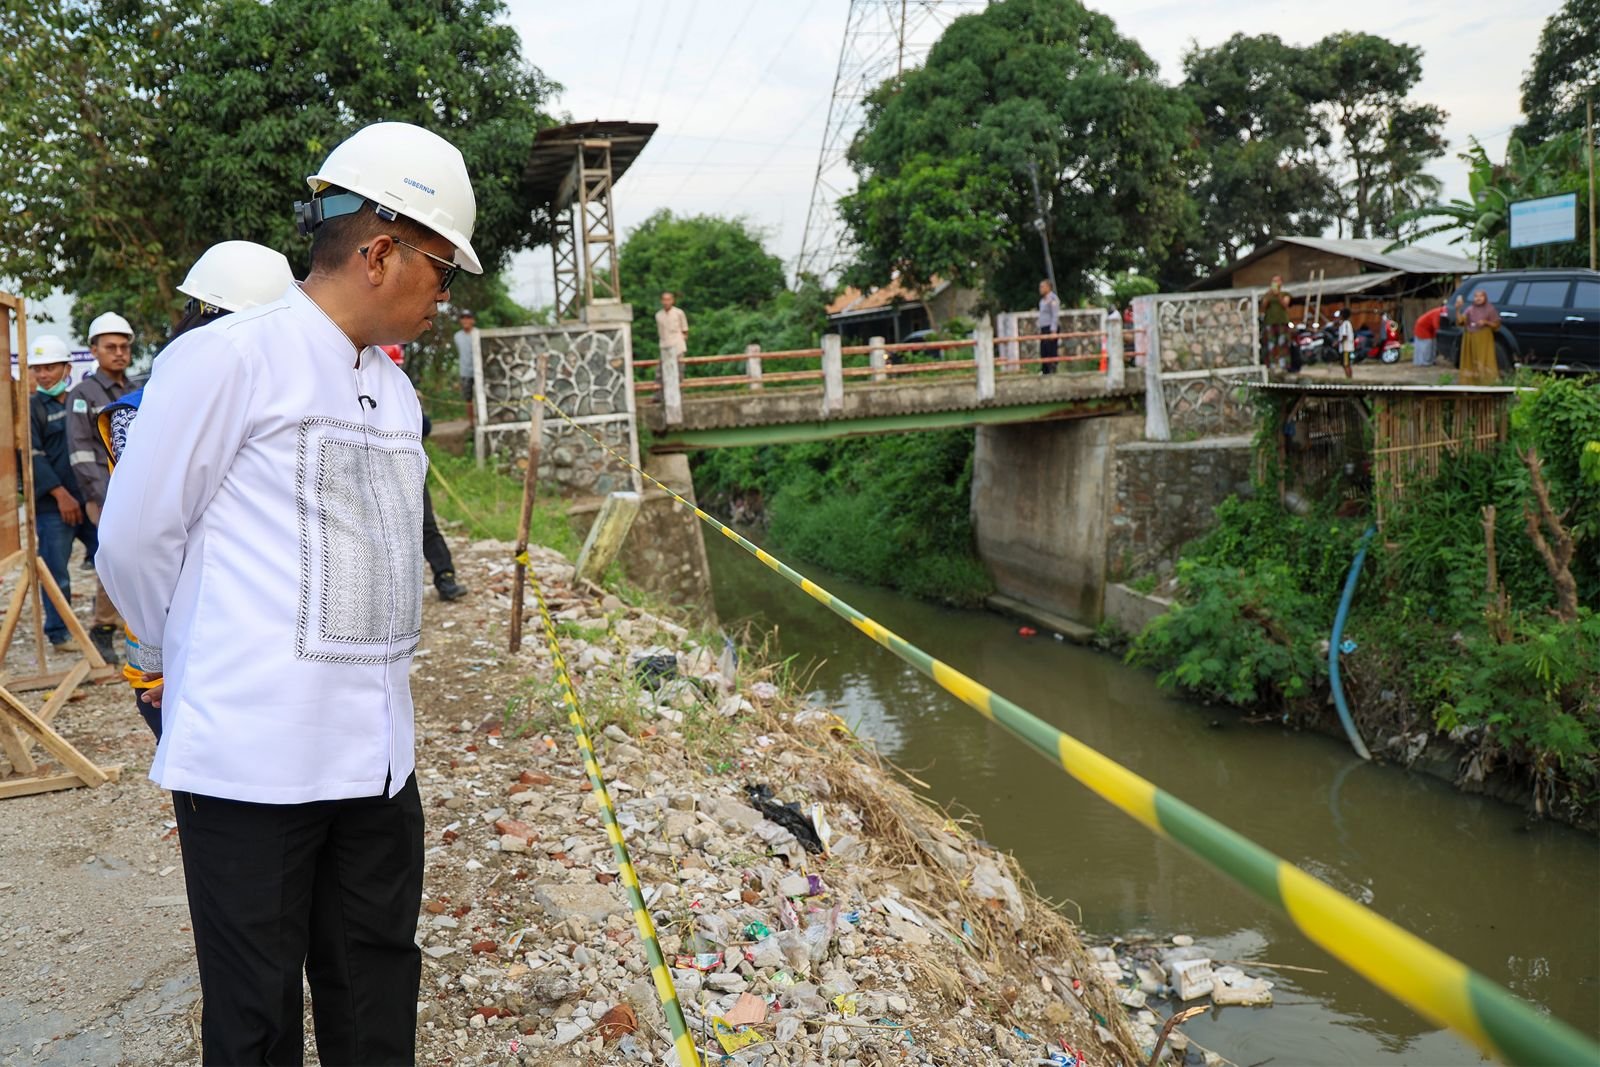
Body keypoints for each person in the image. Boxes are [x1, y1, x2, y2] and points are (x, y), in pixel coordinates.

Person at [97, 120, 482, 1066]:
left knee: (376, 987)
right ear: (381, 251)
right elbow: (139, 540)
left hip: (378, 764)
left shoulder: (394, 395)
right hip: (253, 765)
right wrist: (203, 664)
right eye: (444, 269)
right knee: (257, 1016)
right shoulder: (228, 360)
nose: (447, 294)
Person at [97, 240, 297, 740]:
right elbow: (139, 544)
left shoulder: (279, 397)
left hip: (244, 651)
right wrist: (176, 654)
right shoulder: (149, 408)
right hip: (191, 650)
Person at [65, 311, 135, 663]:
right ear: (94, 350)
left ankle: (142, 628)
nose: (119, 353)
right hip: (104, 493)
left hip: (140, 492)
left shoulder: (138, 389)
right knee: (114, 557)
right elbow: (80, 452)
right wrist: (107, 497)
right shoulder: (83, 395)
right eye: (111, 347)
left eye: (124, 346)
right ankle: (103, 627)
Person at [381, 343, 468, 602]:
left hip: (408, 471)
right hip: (376, 471)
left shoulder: (403, 391)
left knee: (426, 525)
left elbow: (425, 427)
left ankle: (445, 577)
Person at [26, 335, 97, 650]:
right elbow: (32, 454)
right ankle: (59, 633)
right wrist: (59, 494)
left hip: (87, 498)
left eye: (50, 367)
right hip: (54, 506)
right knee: (56, 571)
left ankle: (111, 621)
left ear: (67, 367)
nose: (43, 375)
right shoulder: (32, 408)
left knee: (110, 558)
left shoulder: (78, 401)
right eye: (37, 369)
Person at [1454, 288, 1502, 385]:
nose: (1478, 298)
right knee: (1470, 359)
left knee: (1484, 359)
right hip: (1470, 338)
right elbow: (1461, 321)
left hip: (1484, 338)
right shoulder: (1470, 309)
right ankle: (1470, 381)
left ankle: (1487, 381)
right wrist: (1458, 309)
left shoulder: (1490, 309)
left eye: (1481, 296)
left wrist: (1486, 322)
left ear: (1485, 297)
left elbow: (1496, 325)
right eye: (1476, 296)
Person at [1262, 274, 1291, 371]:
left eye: (1277, 281)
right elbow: (1264, 306)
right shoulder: (1267, 295)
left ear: (1281, 283)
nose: (1275, 283)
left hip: (1282, 321)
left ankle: (1284, 365)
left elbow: (1285, 305)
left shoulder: (1285, 294)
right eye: (1273, 281)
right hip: (1270, 322)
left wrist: (1278, 294)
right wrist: (1270, 293)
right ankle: (1271, 365)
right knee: (1271, 344)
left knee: (1283, 343)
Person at [454, 309, 477, 425]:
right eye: (463, 318)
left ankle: (482, 419)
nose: (466, 320)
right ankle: (471, 423)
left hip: (479, 372)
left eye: (468, 317)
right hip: (465, 372)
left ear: (473, 320)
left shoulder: (477, 334)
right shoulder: (457, 336)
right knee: (468, 399)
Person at [656, 290, 688, 366]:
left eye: (668, 300)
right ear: (661, 301)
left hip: (678, 346)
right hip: (664, 346)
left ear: (672, 301)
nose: (666, 302)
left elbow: (685, 330)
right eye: (664, 300)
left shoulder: (679, 313)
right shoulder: (658, 315)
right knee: (661, 372)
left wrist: (681, 341)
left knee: (679, 370)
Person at [1037, 279, 1061, 374]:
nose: (1040, 289)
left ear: (1048, 287)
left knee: (1051, 350)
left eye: (1042, 286)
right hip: (1044, 328)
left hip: (1050, 328)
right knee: (1044, 350)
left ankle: (1052, 369)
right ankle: (1045, 370)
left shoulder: (1053, 299)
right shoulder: (1042, 300)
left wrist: (1053, 331)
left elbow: (1055, 315)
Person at [1336, 308, 1355, 379]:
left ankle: (1349, 378)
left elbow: (1344, 336)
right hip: (1346, 347)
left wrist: (1337, 342)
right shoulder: (1346, 323)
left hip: (1345, 347)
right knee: (1346, 364)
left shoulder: (1345, 324)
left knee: (1346, 364)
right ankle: (1349, 377)